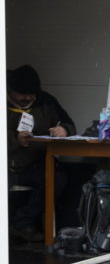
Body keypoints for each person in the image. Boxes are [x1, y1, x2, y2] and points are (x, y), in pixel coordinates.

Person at [6, 64, 76, 242]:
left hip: (34, 165)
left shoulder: (46, 101)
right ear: (11, 90)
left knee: (57, 178)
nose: (28, 97)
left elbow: (69, 123)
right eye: (22, 94)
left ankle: (22, 221)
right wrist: (15, 139)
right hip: (6, 166)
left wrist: (64, 130)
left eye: (32, 93)